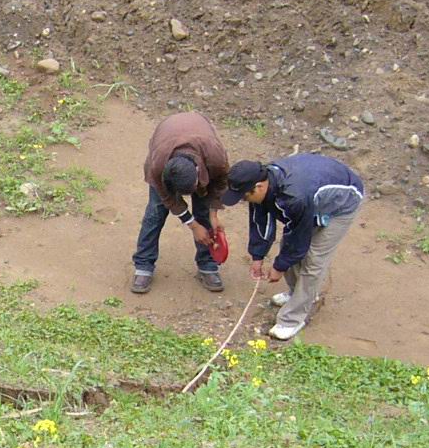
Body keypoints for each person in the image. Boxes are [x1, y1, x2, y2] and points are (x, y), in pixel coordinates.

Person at [222, 153, 365, 340]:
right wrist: (257, 257)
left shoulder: (293, 197)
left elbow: (298, 238)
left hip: (342, 203)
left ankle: (292, 320)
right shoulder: (260, 184)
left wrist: (279, 267)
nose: (242, 200)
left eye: (243, 197)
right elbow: (261, 221)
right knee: (289, 247)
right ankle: (296, 293)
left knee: (313, 260)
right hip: (312, 196)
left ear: (259, 187)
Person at [132, 111, 230, 295]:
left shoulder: (215, 157)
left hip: (199, 136)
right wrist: (193, 226)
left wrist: (213, 213)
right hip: (166, 136)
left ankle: (208, 265)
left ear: (197, 170)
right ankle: (143, 265)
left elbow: (221, 182)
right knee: (155, 213)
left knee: (203, 211)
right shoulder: (157, 166)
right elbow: (169, 198)